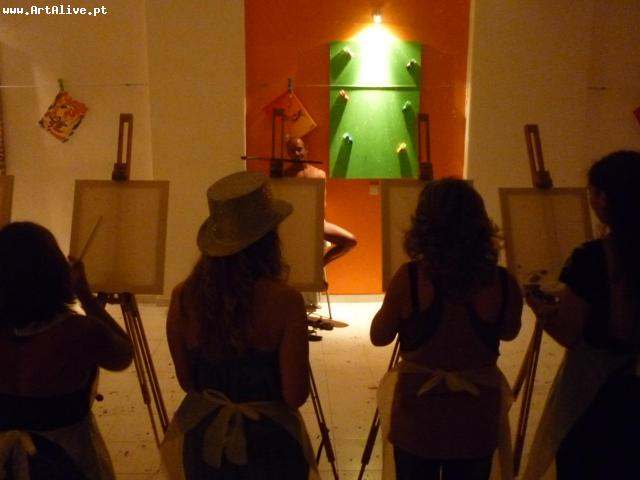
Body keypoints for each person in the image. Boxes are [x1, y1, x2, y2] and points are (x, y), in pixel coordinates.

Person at [164, 171, 316, 479]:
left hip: (205, 444)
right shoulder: (286, 301)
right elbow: (295, 395)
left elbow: (187, 382)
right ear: (268, 240)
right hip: (270, 447)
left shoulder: (183, 297)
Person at [370, 178, 523, 480]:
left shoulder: (411, 278)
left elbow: (379, 336)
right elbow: (510, 332)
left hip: (418, 417)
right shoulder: (502, 282)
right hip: (476, 416)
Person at [522, 150, 640, 480]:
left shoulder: (591, 257)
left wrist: (540, 309)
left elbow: (570, 333)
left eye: (592, 191)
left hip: (596, 395)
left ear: (603, 198)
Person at [0, 221, 133, 479]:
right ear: (55, 272)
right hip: (70, 463)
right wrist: (85, 295)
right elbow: (123, 354)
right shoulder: (80, 332)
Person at [285, 136, 357, 266]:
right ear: (288, 154)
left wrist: (318, 223)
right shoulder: (285, 175)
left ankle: (320, 265)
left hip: (317, 222)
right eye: (292, 151)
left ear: (306, 149)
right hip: (295, 222)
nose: (296, 154)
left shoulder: (319, 174)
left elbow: (321, 203)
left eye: (299, 149)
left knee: (350, 241)